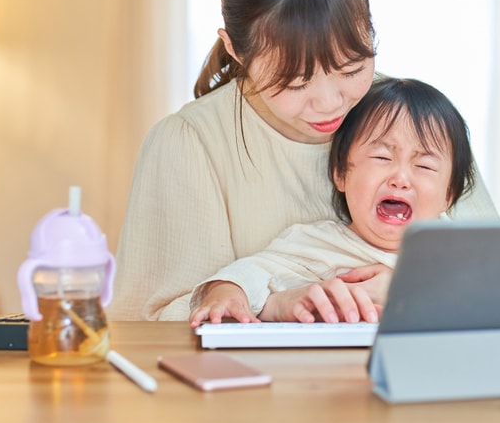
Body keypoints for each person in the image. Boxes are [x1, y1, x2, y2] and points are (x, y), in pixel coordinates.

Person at [109, 0, 497, 321]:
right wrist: (274, 306)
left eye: (350, 68)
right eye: (295, 82)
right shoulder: (189, 143)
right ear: (235, 49)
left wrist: (411, 285)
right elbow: (142, 326)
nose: (330, 104)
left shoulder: (410, 120)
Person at [187, 77, 475, 327]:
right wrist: (226, 292)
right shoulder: (318, 244)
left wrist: (407, 286)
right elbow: (251, 271)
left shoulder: (458, 251)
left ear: (449, 194)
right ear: (341, 174)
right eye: (382, 158)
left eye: (424, 166)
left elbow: (492, 299)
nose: (400, 178)